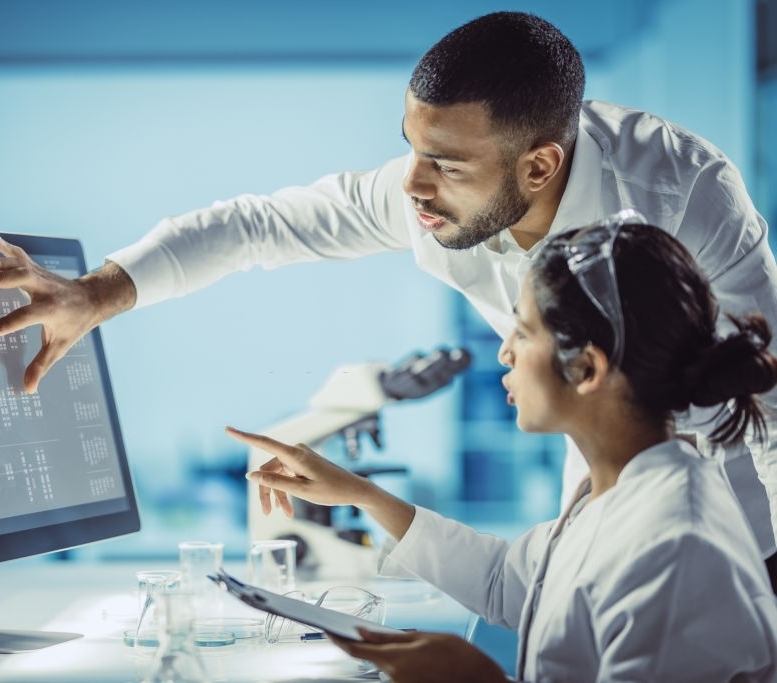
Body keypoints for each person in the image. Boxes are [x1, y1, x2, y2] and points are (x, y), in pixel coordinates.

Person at [0, 12, 777, 577]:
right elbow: (259, 225)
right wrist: (96, 293)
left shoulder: (681, 188)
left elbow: (769, 391)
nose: (415, 188)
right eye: (411, 149)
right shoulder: (426, 188)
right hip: (604, 489)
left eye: (449, 164)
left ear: (539, 167)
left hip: (735, 512)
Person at [230, 217, 777, 682]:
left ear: (587, 368)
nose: (503, 353)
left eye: (522, 331)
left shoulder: (675, 546)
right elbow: (506, 581)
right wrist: (360, 493)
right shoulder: (615, 490)